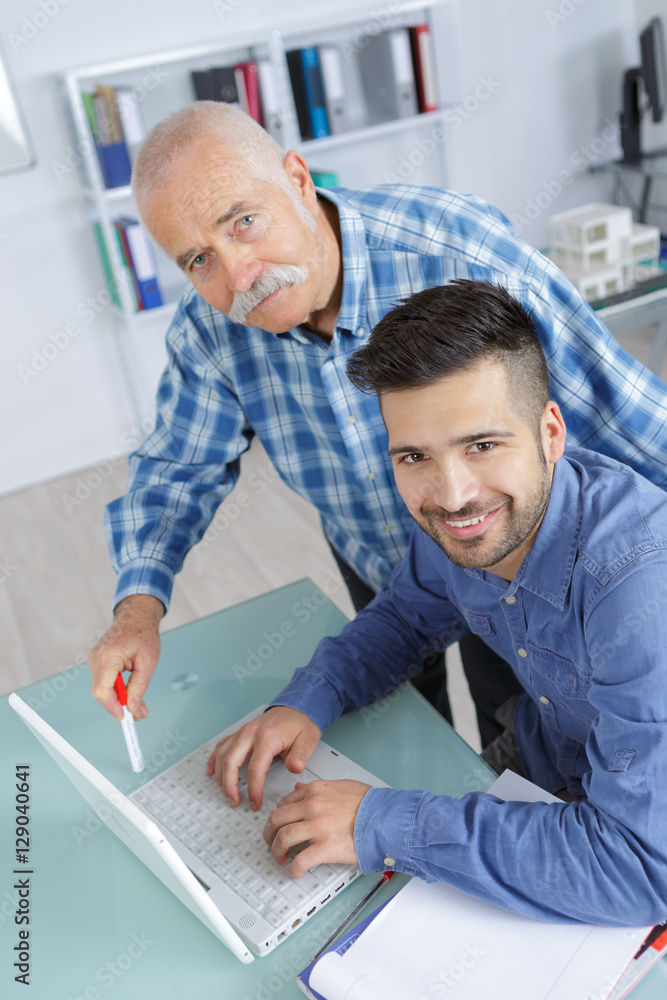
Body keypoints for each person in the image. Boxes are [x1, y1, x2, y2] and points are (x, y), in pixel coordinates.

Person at [90, 101, 667, 750]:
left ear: (300, 181)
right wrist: (137, 609)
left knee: (515, 728)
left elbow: (635, 421)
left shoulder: (463, 251)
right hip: (378, 559)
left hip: (512, 564)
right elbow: (176, 468)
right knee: (400, 736)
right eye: (198, 260)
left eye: (245, 223)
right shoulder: (209, 329)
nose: (237, 276)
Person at [208, 281, 667, 927]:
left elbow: (640, 869)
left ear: (550, 432)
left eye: (482, 445)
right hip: (553, 761)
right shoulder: (466, 528)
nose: (451, 495)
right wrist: (306, 699)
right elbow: (401, 619)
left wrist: (382, 822)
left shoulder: (640, 583)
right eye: (414, 456)